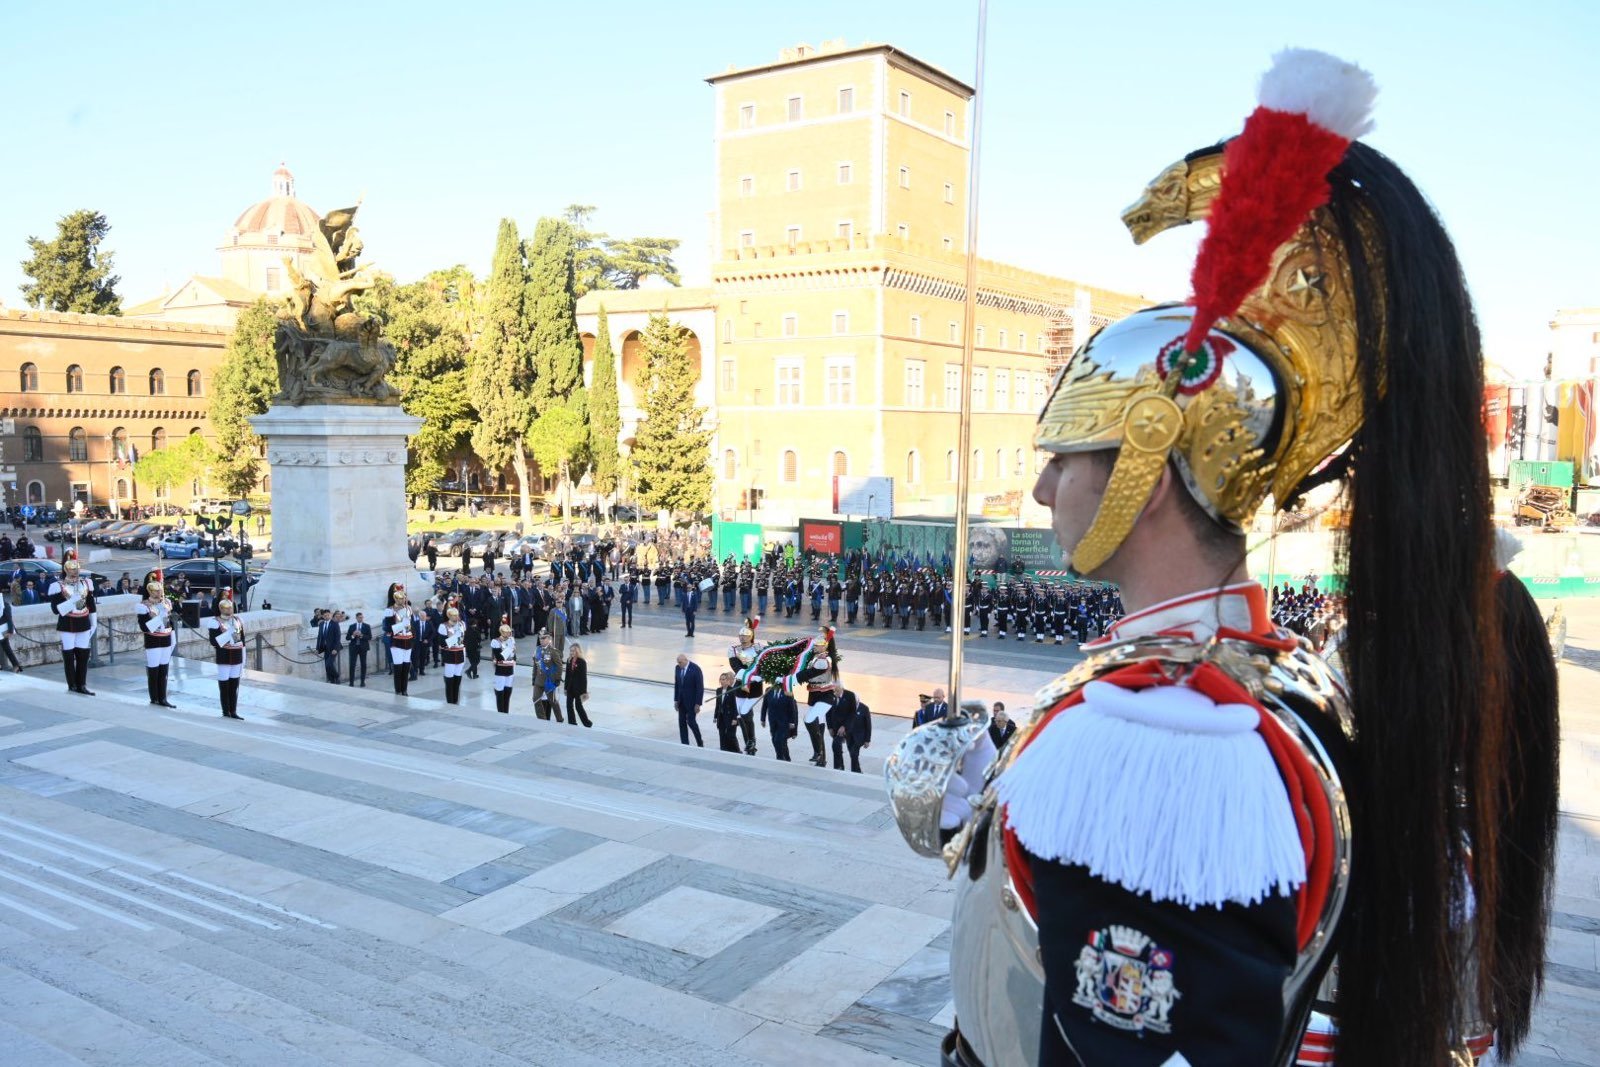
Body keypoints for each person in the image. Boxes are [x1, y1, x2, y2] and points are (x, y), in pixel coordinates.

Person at [889, 50, 1560, 1067]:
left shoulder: (1161, 739)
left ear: (1146, 472)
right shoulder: (1246, 677)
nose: (1038, 491)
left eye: (1063, 457)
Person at [47, 551, 96, 695]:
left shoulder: (85, 583)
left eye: (77, 568)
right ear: (66, 569)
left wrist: (94, 623)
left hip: (83, 622)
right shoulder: (58, 586)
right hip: (67, 623)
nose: (75, 571)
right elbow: (56, 610)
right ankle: (72, 684)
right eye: (72, 568)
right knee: (69, 656)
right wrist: (72, 601)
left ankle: (82, 684)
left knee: (83, 655)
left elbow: (91, 605)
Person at [135, 570, 177, 707]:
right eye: (156, 591)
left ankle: (163, 697)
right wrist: (159, 616)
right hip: (153, 640)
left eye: (160, 591)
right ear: (150, 591)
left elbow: (170, 624)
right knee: (154, 669)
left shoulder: (166, 603)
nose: (159, 593)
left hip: (165, 638)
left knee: (164, 669)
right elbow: (145, 627)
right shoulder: (144, 606)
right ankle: (154, 697)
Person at [206, 592, 245, 719]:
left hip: (237, 655)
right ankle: (225, 710)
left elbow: (242, 640)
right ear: (221, 609)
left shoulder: (237, 620)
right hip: (224, 656)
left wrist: (243, 656)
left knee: (234, 685)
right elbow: (214, 641)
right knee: (224, 684)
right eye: (227, 608)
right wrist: (228, 633)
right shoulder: (215, 622)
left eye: (231, 607)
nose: (230, 610)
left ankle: (233, 710)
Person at [382, 584, 416, 696]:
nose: (403, 599)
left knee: (406, 665)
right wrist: (401, 625)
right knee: (398, 666)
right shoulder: (389, 610)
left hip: (408, 639)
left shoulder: (408, 608)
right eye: (400, 598)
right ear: (396, 598)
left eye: (404, 597)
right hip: (397, 640)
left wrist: (410, 627)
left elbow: (412, 624)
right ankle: (398, 689)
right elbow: (387, 628)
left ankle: (404, 689)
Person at [672, 653, 704, 746]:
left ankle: (699, 742)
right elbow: (677, 685)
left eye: (680, 662)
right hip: (681, 701)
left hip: (692, 702)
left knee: (691, 722)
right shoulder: (677, 668)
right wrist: (676, 700)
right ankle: (684, 743)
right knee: (681, 722)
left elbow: (700, 687)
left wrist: (698, 703)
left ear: (686, 660)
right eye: (678, 662)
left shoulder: (695, 669)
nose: (679, 664)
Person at [761, 685, 797, 762]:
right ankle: (786, 757)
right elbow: (764, 705)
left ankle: (780, 757)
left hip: (784, 721)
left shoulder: (787, 692)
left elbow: (792, 708)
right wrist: (762, 719)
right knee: (775, 739)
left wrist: (792, 722)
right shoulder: (769, 690)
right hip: (773, 720)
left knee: (778, 739)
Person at [489, 618, 516, 714]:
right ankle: (500, 712)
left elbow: (514, 656)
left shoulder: (511, 640)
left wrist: (513, 658)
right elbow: (499, 657)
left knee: (508, 693)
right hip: (500, 670)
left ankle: (506, 711)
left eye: (509, 632)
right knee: (500, 693)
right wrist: (510, 649)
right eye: (507, 633)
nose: (509, 634)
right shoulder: (496, 642)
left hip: (510, 669)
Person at [533, 631, 561, 720]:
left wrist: (557, 678)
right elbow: (535, 665)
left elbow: (559, 666)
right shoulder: (537, 649)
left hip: (549, 680)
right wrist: (533, 678)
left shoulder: (553, 651)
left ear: (549, 639)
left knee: (552, 701)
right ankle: (542, 719)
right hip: (538, 680)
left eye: (544, 638)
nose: (541, 640)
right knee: (535, 699)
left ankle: (559, 718)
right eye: (540, 638)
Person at [563, 642, 593, 727]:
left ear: (577, 651)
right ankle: (572, 722)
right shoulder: (569, 660)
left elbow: (584, 678)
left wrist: (584, 692)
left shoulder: (582, 662)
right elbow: (567, 675)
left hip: (578, 689)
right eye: (570, 651)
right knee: (569, 706)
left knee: (578, 707)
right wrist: (565, 688)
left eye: (573, 651)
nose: (571, 653)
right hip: (570, 688)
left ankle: (587, 723)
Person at [713, 671, 742, 753]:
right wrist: (715, 716)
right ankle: (723, 749)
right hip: (721, 716)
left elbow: (735, 705)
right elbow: (717, 705)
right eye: (721, 679)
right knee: (721, 734)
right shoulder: (718, 690)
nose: (722, 681)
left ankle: (736, 750)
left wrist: (735, 718)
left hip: (730, 716)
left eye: (724, 679)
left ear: (728, 680)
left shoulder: (732, 690)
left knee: (731, 735)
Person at [346, 611, 372, 688]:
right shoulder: (352, 626)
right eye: (359, 617)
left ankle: (362, 681)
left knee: (363, 664)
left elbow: (369, 637)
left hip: (363, 648)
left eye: (362, 617)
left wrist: (361, 635)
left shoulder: (367, 626)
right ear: (356, 618)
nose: (361, 619)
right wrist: (353, 635)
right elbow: (347, 638)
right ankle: (351, 682)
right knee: (352, 665)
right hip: (353, 648)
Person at [317, 609, 342, 683]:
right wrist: (317, 648)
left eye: (328, 615)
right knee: (327, 667)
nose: (326, 617)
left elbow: (338, 637)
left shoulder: (335, 624)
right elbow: (320, 637)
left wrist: (335, 649)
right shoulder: (321, 624)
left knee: (329, 664)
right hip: (325, 648)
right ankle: (332, 681)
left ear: (330, 615)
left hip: (333, 648)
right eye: (325, 616)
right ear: (323, 616)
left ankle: (337, 676)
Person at [0, 594, 20, 672]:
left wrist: (10, 631)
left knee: (7, 648)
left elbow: (9, 619)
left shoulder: (6, 605)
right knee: (5, 648)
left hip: (4, 630)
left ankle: (16, 665)